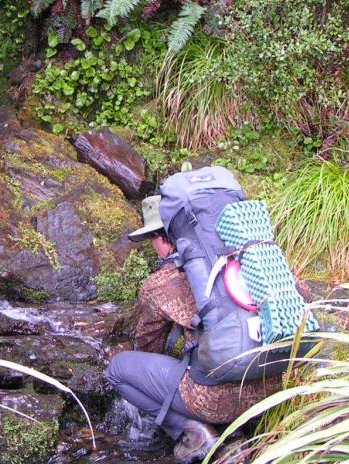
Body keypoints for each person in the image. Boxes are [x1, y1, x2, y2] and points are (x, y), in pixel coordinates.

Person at [104, 195, 281, 464]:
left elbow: (148, 347)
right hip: (271, 389)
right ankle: (237, 433)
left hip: (212, 401)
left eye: (152, 239)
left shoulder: (161, 283)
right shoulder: (253, 260)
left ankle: (194, 433)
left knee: (118, 369)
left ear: (163, 238)